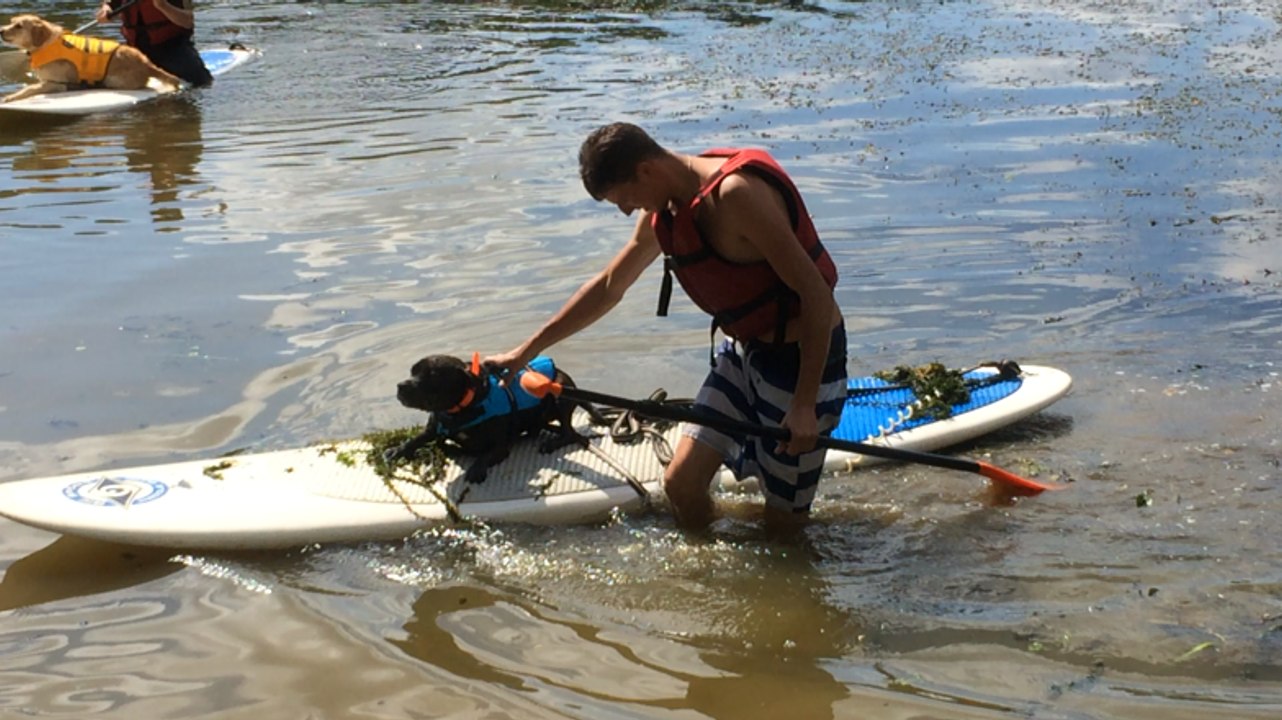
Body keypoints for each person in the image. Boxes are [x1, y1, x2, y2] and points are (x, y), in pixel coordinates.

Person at [485, 123, 848, 531]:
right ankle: (712, 563)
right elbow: (609, 287)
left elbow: (816, 295)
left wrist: (804, 405)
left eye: (624, 199)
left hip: (799, 362)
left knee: (784, 527)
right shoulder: (668, 210)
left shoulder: (736, 196)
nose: (627, 211)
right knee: (681, 485)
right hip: (744, 353)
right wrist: (524, 352)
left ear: (646, 170)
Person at [96, 0, 212, 87]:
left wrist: (162, 5)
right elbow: (110, 3)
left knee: (201, 81)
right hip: (137, 51)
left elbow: (187, 22)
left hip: (172, 48)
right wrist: (106, 9)